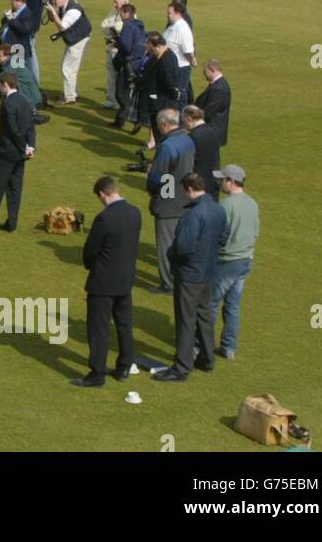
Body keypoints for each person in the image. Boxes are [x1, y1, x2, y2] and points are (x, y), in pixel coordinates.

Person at [154, 173, 227, 382]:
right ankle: (207, 359)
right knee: (204, 316)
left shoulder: (192, 215)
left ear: (188, 190)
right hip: (208, 273)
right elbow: (223, 237)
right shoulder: (218, 209)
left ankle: (181, 367)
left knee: (186, 320)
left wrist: (171, 255)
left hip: (189, 275)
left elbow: (183, 247)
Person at [72, 176, 140, 387]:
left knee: (99, 328)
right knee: (124, 325)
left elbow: (90, 251)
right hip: (125, 280)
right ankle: (123, 368)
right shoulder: (135, 213)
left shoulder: (104, 218)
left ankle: (97, 374)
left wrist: (92, 265)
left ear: (102, 194)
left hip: (103, 282)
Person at [146, 108, 196, 294]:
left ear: (165, 125)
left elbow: (161, 177)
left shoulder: (167, 146)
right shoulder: (188, 139)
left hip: (169, 204)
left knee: (166, 245)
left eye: (159, 126)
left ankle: (168, 284)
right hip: (186, 198)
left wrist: (154, 192)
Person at [0, 72, 36, 233]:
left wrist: (23, 146)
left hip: (7, 153)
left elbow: (13, 130)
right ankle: (11, 223)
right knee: (15, 190)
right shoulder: (25, 100)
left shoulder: (8, 104)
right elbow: (31, 126)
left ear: (5, 85)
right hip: (20, 155)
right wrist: (30, 146)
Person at [210, 164, 258, 361]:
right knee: (233, 306)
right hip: (245, 261)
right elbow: (255, 233)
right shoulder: (253, 204)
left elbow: (217, 237)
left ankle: (200, 344)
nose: (220, 183)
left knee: (210, 304)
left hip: (227, 262)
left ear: (231, 181)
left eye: (222, 180)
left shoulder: (225, 206)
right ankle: (229, 347)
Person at [43, 0, 92, 106]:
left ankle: (70, 98)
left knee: (68, 68)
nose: (54, 2)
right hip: (76, 39)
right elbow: (51, 19)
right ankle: (72, 93)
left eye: (55, 0)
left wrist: (54, 12)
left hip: (79, 41)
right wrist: (51, 10)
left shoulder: (73, 10)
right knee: (70, 68)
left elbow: (62, 26)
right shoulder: (64, 5)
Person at [141, 32, 184, 148]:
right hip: (158, 103)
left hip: (163, 104)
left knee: (162, 136)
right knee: (159, 135)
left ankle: (162, 161)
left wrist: (176, 95)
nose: (151, 53)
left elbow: (169, 83)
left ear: (159, 46)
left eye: (152, 50)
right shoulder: (159, 57)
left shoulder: (166, 60)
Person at [110, 3, 146, 130]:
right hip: (137, 63)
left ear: (127, 13)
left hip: (127, 64)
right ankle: (120, 120)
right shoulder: (139, 26)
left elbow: (125, 45)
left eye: (122, 12)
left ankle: (134, 117)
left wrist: (117, 43)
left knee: (120, 93)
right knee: (127, 92)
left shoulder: (128, 26)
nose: (120, 15)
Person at [0, 45, 42, 111]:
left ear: (8, 56)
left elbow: (2, 78)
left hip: (30, 98)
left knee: (5, 86)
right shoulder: (9, 62)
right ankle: (8, 107)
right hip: (26, 92)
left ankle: (12, 108)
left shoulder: (13, 64)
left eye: (0, 56)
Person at [183, 105, 222, 200]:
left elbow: (186, 164)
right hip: (213, 183)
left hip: (196, 186)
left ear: (189, 119)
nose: (183, 124)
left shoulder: (191, 137)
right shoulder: (214, 132)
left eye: (183, 120)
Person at [100, 0, 129, 110]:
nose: (114, 5)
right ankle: (111, 100)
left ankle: (118, 102)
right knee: (111, 77)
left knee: (118, 78)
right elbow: (103, 25)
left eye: (116, 2)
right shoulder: (114, 13)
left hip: (118, 52)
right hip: (110, 49)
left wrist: (112, 30)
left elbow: (119, 29)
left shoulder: (129, 14)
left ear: (125, 2)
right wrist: (111, 30)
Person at [164, 0, 196, 106]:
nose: (167, 15)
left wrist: (192, 60)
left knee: (179, 96)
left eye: (169, 13)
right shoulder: (173, 26)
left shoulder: (182, 29)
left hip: (180, 69)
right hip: (172, 68)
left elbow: (188, 51)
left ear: (177, 13)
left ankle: (181, 121)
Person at [195, 59, 231, 146]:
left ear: (212, 70)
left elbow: (209, 111)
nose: (204, 74)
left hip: (212, 130)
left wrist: (194, 118)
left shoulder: (219, 88)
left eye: (205, 71)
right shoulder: (217, 84)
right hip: (212, 129)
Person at [0, 0, 34, 70]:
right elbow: (6, 24)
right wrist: (6, 17)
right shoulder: (16, 11)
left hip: (18, 48)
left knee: (15, 72)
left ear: (20, 2)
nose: (11, 4)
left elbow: (25, 29)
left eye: (13, 2)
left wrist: (11, 19)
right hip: (8, 47)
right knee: (6, 70)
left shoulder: (27, 13)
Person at [21, 0, 47, 82]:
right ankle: (28, 78)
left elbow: (19, 4)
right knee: (27, 52)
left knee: (30, 53)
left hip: (28, 27)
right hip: (34, 26)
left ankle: (34, 80)